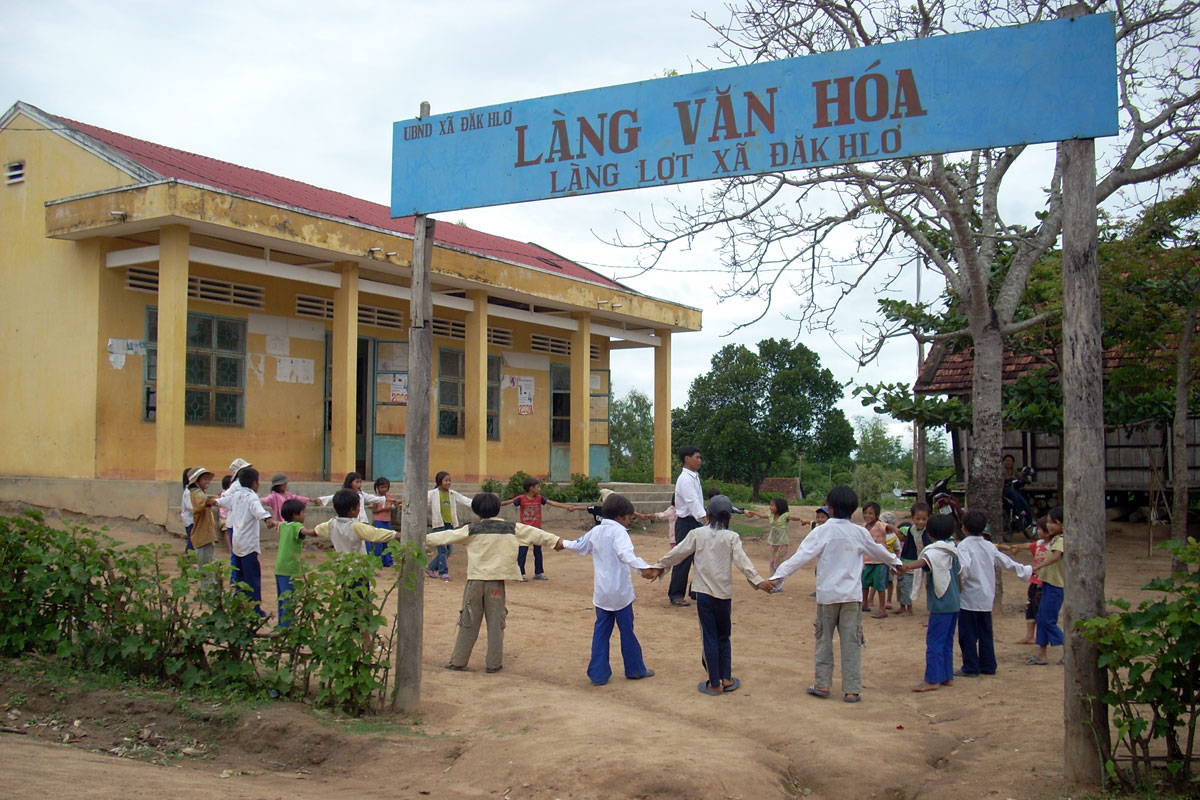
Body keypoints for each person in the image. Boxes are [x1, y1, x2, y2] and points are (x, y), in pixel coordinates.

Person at [760, 485, 901, 703]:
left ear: (831, 508)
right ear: (853, 509)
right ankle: (852, 689)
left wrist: (778, 576)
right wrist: (897, 563)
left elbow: (801, 556)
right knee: (852, 642)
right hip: (851, 598)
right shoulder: (859, 532)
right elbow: (879, 551)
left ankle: (822, 684)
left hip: (827, 597)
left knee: (824, 640)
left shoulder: (822, 531)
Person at [647, 495, 771, 695]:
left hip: (704, 595)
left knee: (709, 637)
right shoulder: (732, 537)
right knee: (724, 636)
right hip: (724, 595)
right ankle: (726, 678)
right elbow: (743, 562)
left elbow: (678, 553)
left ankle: (714, 683)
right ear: (729, 516)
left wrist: (659, 566)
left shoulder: (697, 534)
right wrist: (758, 581)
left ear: (708, 514)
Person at [429, 492, 563, 673]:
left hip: (475, 582)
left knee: (468, 620)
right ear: (498, 508)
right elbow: (536, 533)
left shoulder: (471, 529)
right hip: (496, 584)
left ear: (476, 511)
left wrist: (411, 538)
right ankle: (493, 664)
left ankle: (458, 661)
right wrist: (557, 542)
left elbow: (445, 536)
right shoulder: (511, 528)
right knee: (496, 624)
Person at [561, 493, 656, 685]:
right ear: (620, 516)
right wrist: (644, 568)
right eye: (629, 517)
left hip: (602, 593)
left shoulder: (596, 531)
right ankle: (635, 669)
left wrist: (560, 542)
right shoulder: (619, 532)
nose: (629, 521)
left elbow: (577, 546)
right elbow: (625, 554)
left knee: (601, 633)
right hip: (620, 593)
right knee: (627, 632)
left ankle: (598, 673)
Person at [955, 510, 1032, 677]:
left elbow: (964, 568)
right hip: (986, 597)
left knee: (968, 635)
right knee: (985, 633)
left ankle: (970, 667)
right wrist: (1026, 570)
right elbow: (1007, 562)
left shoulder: (964, 546)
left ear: (964, 528)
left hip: (969, 597)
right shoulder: (989, 545)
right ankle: (988, 665)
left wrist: (958, 584)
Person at [904, 514, 963, 692]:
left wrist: (906, 566)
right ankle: (947, 676)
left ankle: (932, 679)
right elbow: (959, 575)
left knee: (935, 641)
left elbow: (924, 562)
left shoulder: (934, 552)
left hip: (941, 603)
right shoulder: (952, 550)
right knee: (946, 641)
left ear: (929, 534)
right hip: (954, 602)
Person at [216, 467, 276, 615]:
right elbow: (258, 510)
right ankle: (254, 608)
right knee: (252, 577)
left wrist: (209, 500)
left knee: (240, 575)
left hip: (237, 541)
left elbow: (221, 501)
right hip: (248, 544)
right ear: (255, 483)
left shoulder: (236, 495)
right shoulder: (251, 497)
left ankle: (238, 605)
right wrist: (268, 519)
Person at [501, 475, 579, 581]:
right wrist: (493, 504)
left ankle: (539, 573)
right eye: (538, 487)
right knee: (522, 552)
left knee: (538, 552)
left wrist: (567, 507)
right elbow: (507, 502)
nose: (539, 489)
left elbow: (552, 503)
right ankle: (520, 573)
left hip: (537, 529)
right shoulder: (521, 498)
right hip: (524, 530)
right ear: (531, 488)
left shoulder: (539, 498)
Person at [668, 445, 707, 606]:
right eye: (697, 457)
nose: (700, 461)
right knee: (683, 558)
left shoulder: (694, 477)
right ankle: (676, 594)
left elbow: (698, 501)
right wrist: (705, 518)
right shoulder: (685, 479)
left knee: (701, 557)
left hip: (695, 521)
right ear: (687, 459)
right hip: (686, 523)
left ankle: (696, 590)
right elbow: (692, 502)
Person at [1002, 517, 1051, 644]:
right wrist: (1017, 547)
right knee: (1030, 608)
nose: (1038, 531)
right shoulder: (1040, 543)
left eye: (1040, 529)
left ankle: (1042, 637)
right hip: (1034, 580)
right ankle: (1029, 635)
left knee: (1040, 609)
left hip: (1044, 582)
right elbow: (1029, 545)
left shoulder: (1053, 546)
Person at [1028, 506, 1065, 666]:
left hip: (1056, 586)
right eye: (1048, 522)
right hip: (1048, 584)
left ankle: (1069, 650)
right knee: (1042, 619)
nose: (1049, 525)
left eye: (1053, 522)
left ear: (1062, 523)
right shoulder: (1054, 540)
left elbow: (1056, 556)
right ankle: (1041, 654)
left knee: (1048, 620)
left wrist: (1038, 566)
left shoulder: (1062, 540)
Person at [426, 471, 472, 580]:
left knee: (449, 550)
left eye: (449, 480)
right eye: (446, 480)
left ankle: (431, 567)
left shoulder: (453, 494)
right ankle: (443, 572)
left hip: (449, 525)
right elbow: (420, 501)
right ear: (439, 482)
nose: (448, 483)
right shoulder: (432, 494)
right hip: (439, 525)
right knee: (442, 550)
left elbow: (466, 501)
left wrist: (481, 503)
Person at [274, 498, 308, 628]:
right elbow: (303, 532)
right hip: (290, 569)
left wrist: (271, 521)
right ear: (295, 515)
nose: (305, 515)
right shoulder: (296, 526)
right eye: (303, 512)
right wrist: (316, 531)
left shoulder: (283, 525)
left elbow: (277, 523)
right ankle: (287, 629)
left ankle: (281, 626)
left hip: (279, 567)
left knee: (282, 600)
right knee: (289, 601)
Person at [860, 502, 894, 618]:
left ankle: (882, 608)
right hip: (867, 561)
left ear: (877, 515)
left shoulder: (879, 525)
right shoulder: (863, 527)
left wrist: (896, 530)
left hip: (880, 561)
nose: (867, 515)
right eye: (865, 513)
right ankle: (864, 603)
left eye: (870, 513)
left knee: (880, 586)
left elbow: (888, 527)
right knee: (864, 584)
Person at [896, 503, 930, 615]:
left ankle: (928, 608)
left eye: (924, 519)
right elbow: (907, 545)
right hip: (912, 560)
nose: (921, 522)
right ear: (912, 518)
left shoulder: (930, 531)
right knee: (903, 583)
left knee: (928, 584)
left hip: (928, 561)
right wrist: (902, 561)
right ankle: (903, 606)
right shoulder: (911, 530)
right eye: (918, 519)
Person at [745, 497, 791, 581]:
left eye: (772, 505)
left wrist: (802, 520)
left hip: (782, 544)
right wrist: (753, 512)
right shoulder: (772, 516)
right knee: (772, 562)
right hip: (775, 543)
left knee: (778, 562)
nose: (770, 507)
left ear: (780, 506)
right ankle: (773, 579)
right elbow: (762, 515)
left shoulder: (784, 516)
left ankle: (779, 580)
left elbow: (792, 517)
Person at [186, 467, 219, 567]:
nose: (207, 481)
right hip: (202, 536)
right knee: (206, 568)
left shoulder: (200, 492)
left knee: (211, 565)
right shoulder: (196, 493)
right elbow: (205, 500)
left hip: (207, 536)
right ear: (196, 481)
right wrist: (218, 498)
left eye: (208, 479)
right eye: (205, 479)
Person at [369, 476, 398, 567]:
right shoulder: (376, 498)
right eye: (382, 487)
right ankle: (378, 561)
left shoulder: (389, 497)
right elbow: (374, 511)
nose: (384, 489)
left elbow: (394, 506)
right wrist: (384, 509)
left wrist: (393, 507)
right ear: (377, 488)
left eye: (386, 487)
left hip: (387, 521)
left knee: (387, 541)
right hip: (379, 521)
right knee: (379, 542)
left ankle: (388, 561)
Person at [1002, 454, 1035, 533]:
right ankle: (1021, 511)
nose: (1008, 462)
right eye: (1006, 461)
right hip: (1006, 491)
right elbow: (1002, 484)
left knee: (1023, 500)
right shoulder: (1003, 471)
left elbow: (1020, 476)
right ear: (1003, 462)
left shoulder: (1013, 470)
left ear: (1013, 462)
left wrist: (1027, 480)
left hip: (1012, 490)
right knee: (1016, 495)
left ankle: (1029, 520)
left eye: (1010, 461)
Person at [180, 468, 195, 552]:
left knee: (192, 538)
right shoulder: (189, 491)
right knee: (192, 538)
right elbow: (190, 507)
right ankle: (189, 553)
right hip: (190, 519)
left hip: (191, 519)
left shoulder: (191, 490)